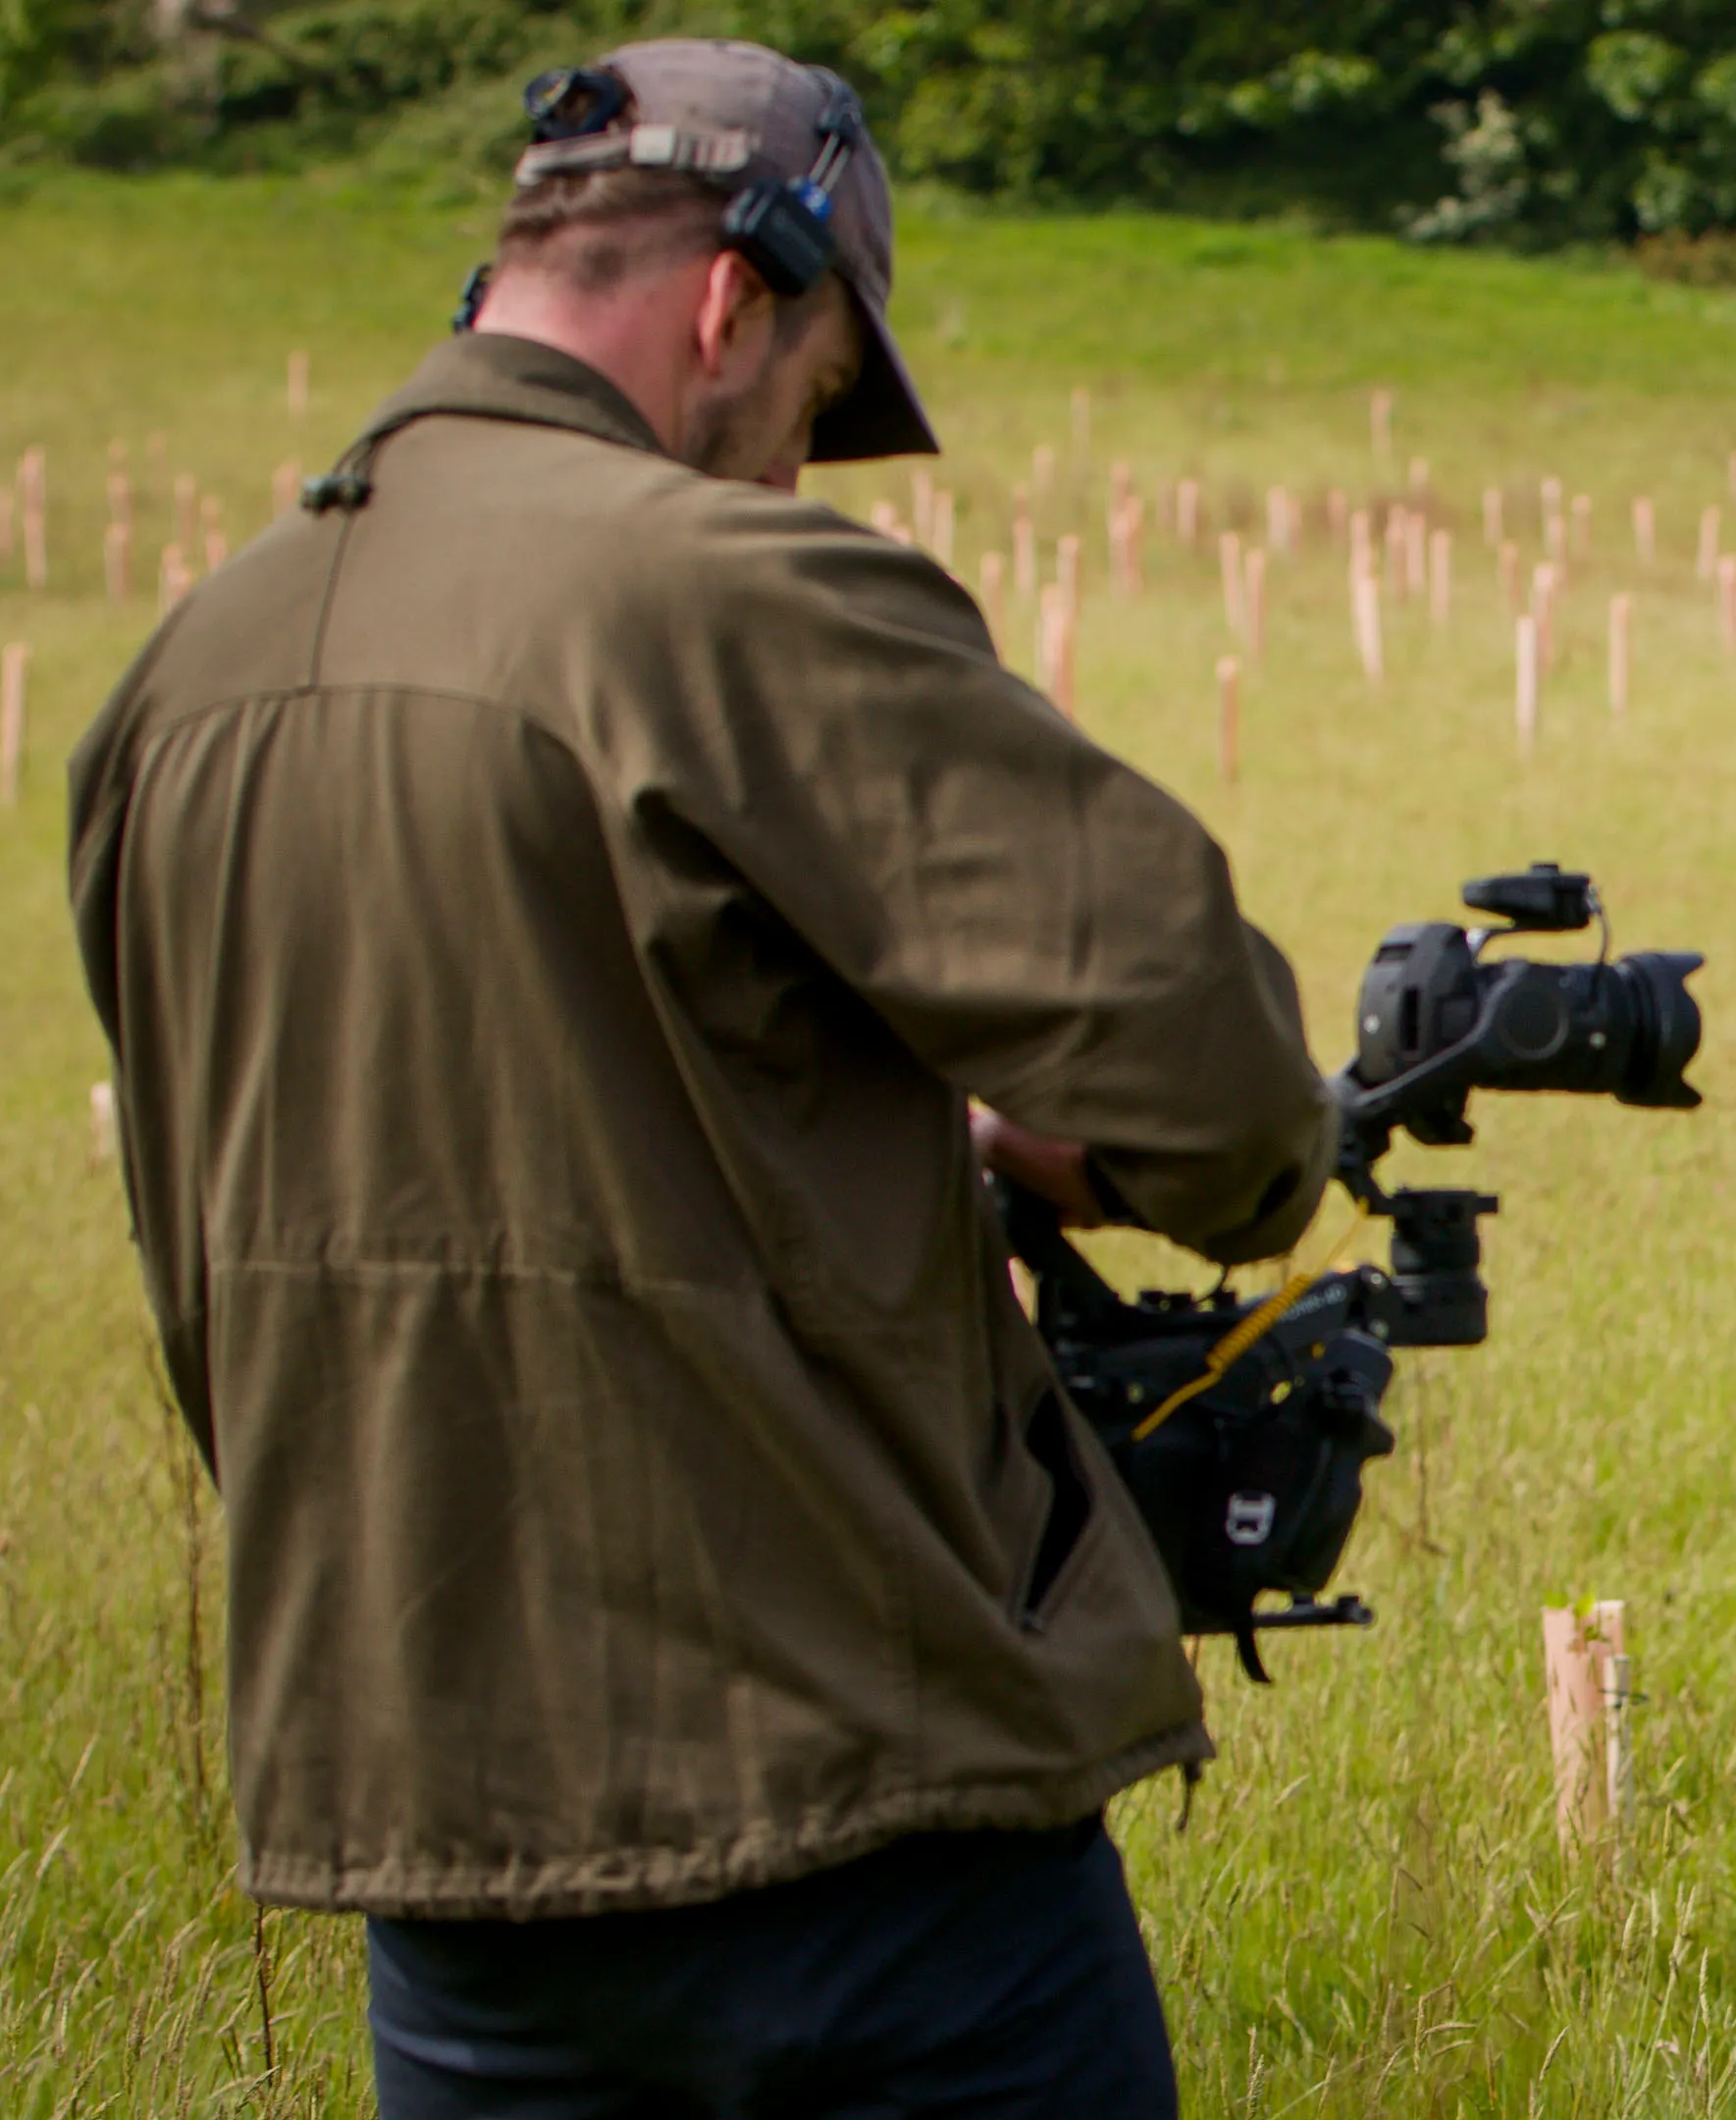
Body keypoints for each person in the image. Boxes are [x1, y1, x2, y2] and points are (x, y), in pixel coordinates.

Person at [67, 41, 1335, 2117]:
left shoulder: (182, 684)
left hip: (444, 1857)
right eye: (820, 404)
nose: (789, 473)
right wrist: (1060, 1155)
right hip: (863, 1826)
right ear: (738, 302)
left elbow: (233, 1255)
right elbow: (1217, 1076)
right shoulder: (720, 592)